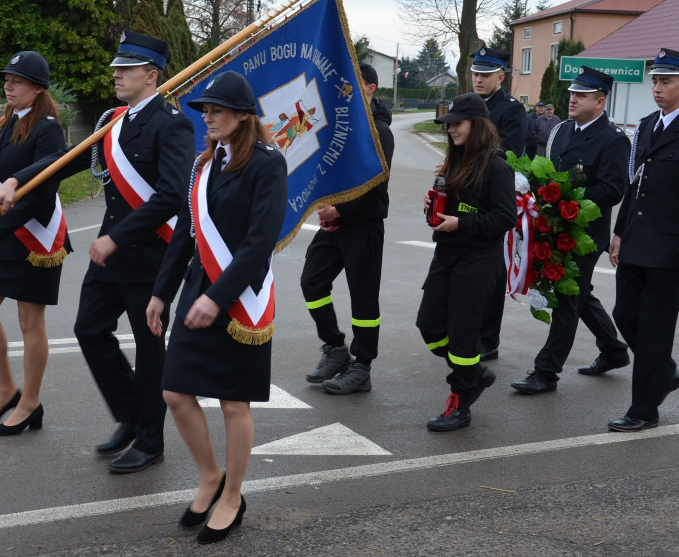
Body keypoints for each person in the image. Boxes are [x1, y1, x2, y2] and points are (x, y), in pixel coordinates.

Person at [0, 31, 194, 470]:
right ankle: (130, 415)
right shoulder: (113, 121)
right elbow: (66, 159)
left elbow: (171, 195)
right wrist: (16, 181)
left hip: (148, 254)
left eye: (126, 69)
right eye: (116, 67)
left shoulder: (172, 124)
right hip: (111, 253)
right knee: (89, 329)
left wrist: (117, 237)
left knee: (149, 347)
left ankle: (150, 440)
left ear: (151, 75)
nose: (116, 74)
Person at [146, 71, 287, 544]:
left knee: (233, 402)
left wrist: (217, 298)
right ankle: (210, 476)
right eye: (204, 110)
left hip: (238, 298)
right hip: (196, 292)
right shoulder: (203, 164)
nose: (207, 117)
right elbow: (186, 234)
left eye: (217, 110)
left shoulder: (268, 164)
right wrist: (160, 293)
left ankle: (233, 495)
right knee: (175, 392)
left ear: (244, 117)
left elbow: (259, 241)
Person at [608, 48, 679, 432]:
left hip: (669, 248)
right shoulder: (645, 126)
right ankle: (665, 371)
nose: (657, 87)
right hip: (637, 240)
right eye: (655, 80)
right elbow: (634, 184)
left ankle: (643, 410)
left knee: (655, 331)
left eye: (666, 81)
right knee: (624, 314)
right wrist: (620, 232)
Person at [0, 50, 71, 435]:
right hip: (8, 233)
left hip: (37, 238)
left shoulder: (49, 129)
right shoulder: (6, 125)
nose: (8, 85)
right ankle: (6, 388)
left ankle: (30, 402)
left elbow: (40, 195)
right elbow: (3, 184)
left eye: (17, 80)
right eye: (6, 78)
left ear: (38, 89)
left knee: (30, 323)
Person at [510, 66, 631, 395]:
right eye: (572, 93)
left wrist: (566, 198)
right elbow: (546, 171)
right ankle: (614, 350)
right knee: (578, 295)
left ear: (600, 102)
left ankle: (546, 371)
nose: (572, 99)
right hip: (554, 227)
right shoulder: (562, 131)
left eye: (581, 95)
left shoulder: (614, 140)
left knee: (566, 299)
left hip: (586, 235)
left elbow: (613, 189)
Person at [416, 93, 516, 431]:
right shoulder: (453, 161)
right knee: (429, 325)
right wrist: (432, 207)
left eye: (457, 124)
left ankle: (459, 406)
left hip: (478, 261)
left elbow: (505, 218)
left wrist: (462, 223)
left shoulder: (497, 166)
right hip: (446, 254)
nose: (451, 130)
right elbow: (445, 205)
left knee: (462, 336)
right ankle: (474, 373)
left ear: (477, 126)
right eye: (448, 126)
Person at [300, 62, 395, 395]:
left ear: (370, 88)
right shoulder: (344, 124)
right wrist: (324, 207)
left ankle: (362, 367)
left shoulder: (379, 132)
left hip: (363, 226)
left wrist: (338, 210)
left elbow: (375, 191)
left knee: (363, 300)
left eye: (355, 83)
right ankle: (335, 347)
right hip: (335, 225)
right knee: (311, 282)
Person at [470, 46, 526, 360]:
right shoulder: (467, 105)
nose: (478, 79)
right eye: (476, 73)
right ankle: (467, 329)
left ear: (500, 77)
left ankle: (488, 339)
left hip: (493, 195)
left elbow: (511, 154)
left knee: (492, 269)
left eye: (485, 75)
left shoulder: (511, 109)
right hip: (465, 194)